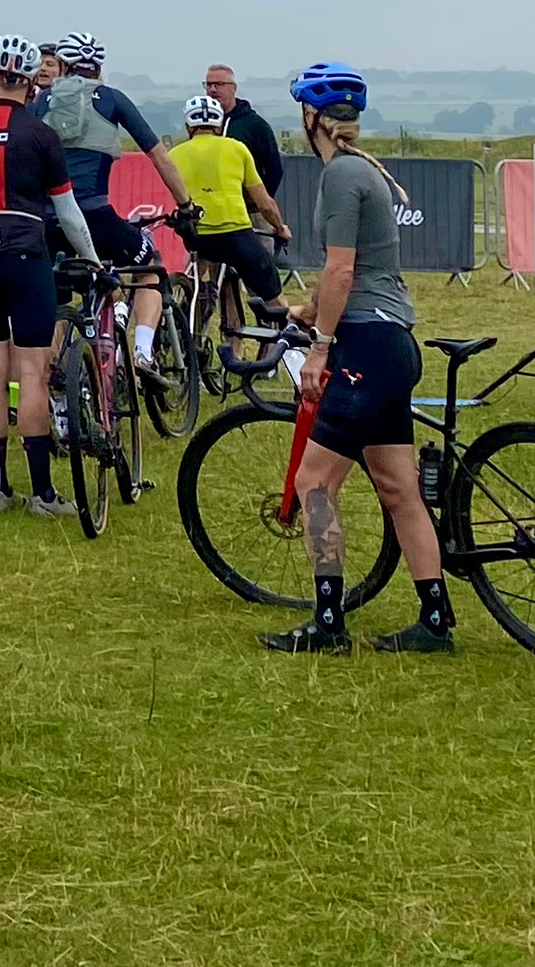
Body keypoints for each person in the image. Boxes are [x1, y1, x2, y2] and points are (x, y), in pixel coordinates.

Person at [261, 60, 451, 656]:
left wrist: (319, 345)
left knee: (314, 481)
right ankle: (434, 621)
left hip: (363, 347)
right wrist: (308, 309)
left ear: (309, 116)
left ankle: (328, 624)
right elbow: (356, 273)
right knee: (398, 488)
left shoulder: (341, 175)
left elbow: (342, 270)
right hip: (392, 343)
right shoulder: (364, 170)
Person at [0, 35, 99, 516]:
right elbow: (68, 214)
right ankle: (43, 495)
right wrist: (91, 258)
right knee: (32, 372)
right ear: (31, 83)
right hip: (27, 255)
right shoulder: (41, 134)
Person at [40, 34, 186, 369]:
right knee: (150, 266)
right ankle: (142, 351)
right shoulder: (112, 99)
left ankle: (56, 377)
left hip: (49, 219)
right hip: (96, 215)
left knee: (56, 299)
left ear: (63, 66)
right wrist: (186, 203)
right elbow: (158, 155)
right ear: (98, 68)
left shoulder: (42, 101)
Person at [163, 90, 293, 350]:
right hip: (235, 232)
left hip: (197, 235)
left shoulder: (174, 155)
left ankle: (198, 336)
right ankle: (289, 344)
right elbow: (264, 203)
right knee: (273, 296)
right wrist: (280, 228)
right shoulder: (236, 148)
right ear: (219, 124)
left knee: (209, 284)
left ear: (188, 126)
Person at [202, 62, 288, 211]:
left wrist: (259, 202)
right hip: (212, 210)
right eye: (208, 85)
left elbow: (274, 169)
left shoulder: (255, 125)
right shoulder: (201, 125)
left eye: (219, 84)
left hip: (250, 213)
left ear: (233, 88)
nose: (213, 90)